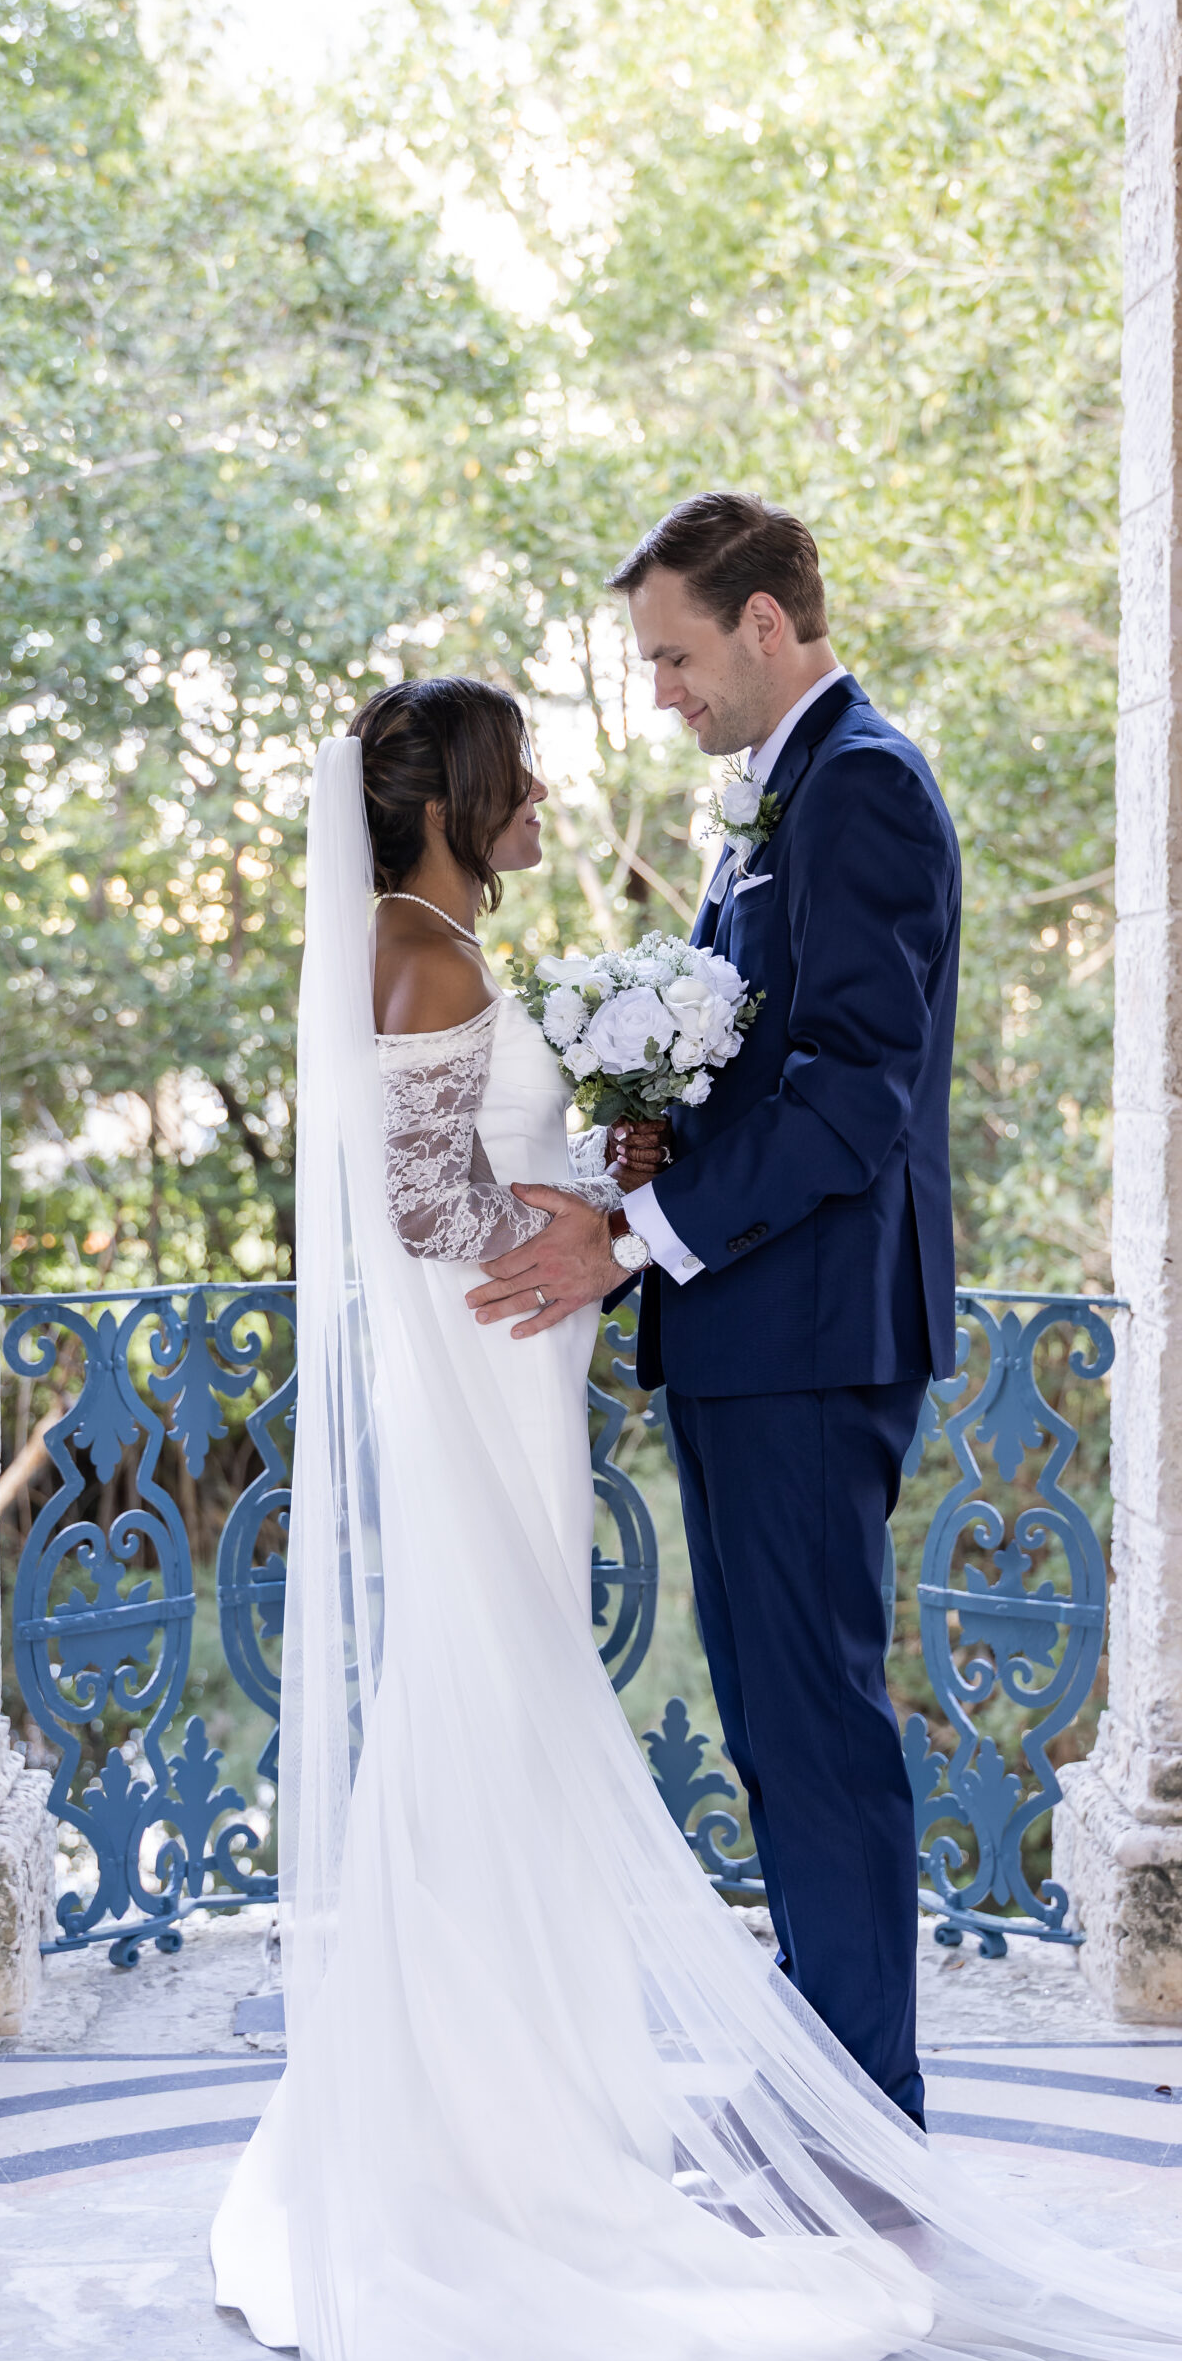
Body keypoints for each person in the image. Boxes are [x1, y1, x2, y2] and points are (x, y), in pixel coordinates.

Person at [210, 617, 1182, 2361]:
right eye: (518, 771)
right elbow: (422, 1202)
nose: (545, 792)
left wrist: (614, 1176)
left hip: (536, 1370)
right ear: (453, 800)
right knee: (494, 1711)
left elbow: (493, 1159)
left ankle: (533, 2102)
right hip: (494, 1366)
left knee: (523, 1717)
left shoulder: (466, 935)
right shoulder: (418, 949)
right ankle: (480, 2129)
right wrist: (600, 1221)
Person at [468, 493, 958, 2128]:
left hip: (813, 1334)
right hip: (757, 1326)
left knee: (814, 1726)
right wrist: (653, 1142)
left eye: (675, 658)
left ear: (763, 622)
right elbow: (772, 1066)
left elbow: (855, 1097)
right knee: (770, 1722)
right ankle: (827, 2078)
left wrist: (629, 1241)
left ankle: (865, 2107)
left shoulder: (862, 784)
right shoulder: (786, 793)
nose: (663, 691)